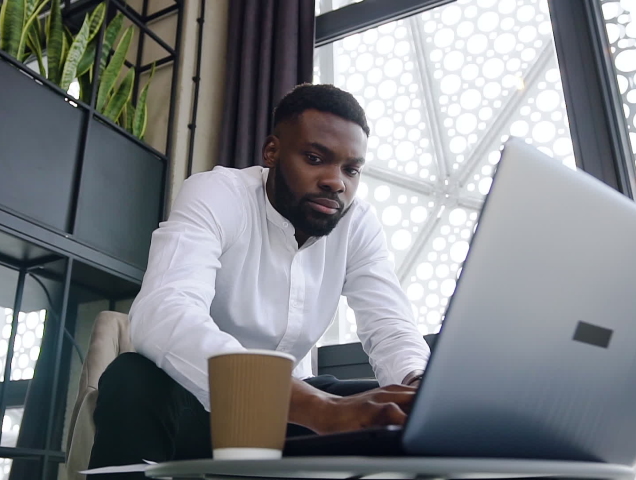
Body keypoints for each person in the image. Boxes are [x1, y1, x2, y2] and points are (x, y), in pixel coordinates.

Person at [88, 84, 431, 475]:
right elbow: (164, 312)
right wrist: (321, 408)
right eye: (316, 158)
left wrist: (418, 385)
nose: (336, 182)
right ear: (272, 152)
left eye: (351, 169)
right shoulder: (218, 193)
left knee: (399, 411)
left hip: (289, 418)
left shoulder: (358, 224)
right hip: (196, 409)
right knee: (132, 377)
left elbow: (391, 327)